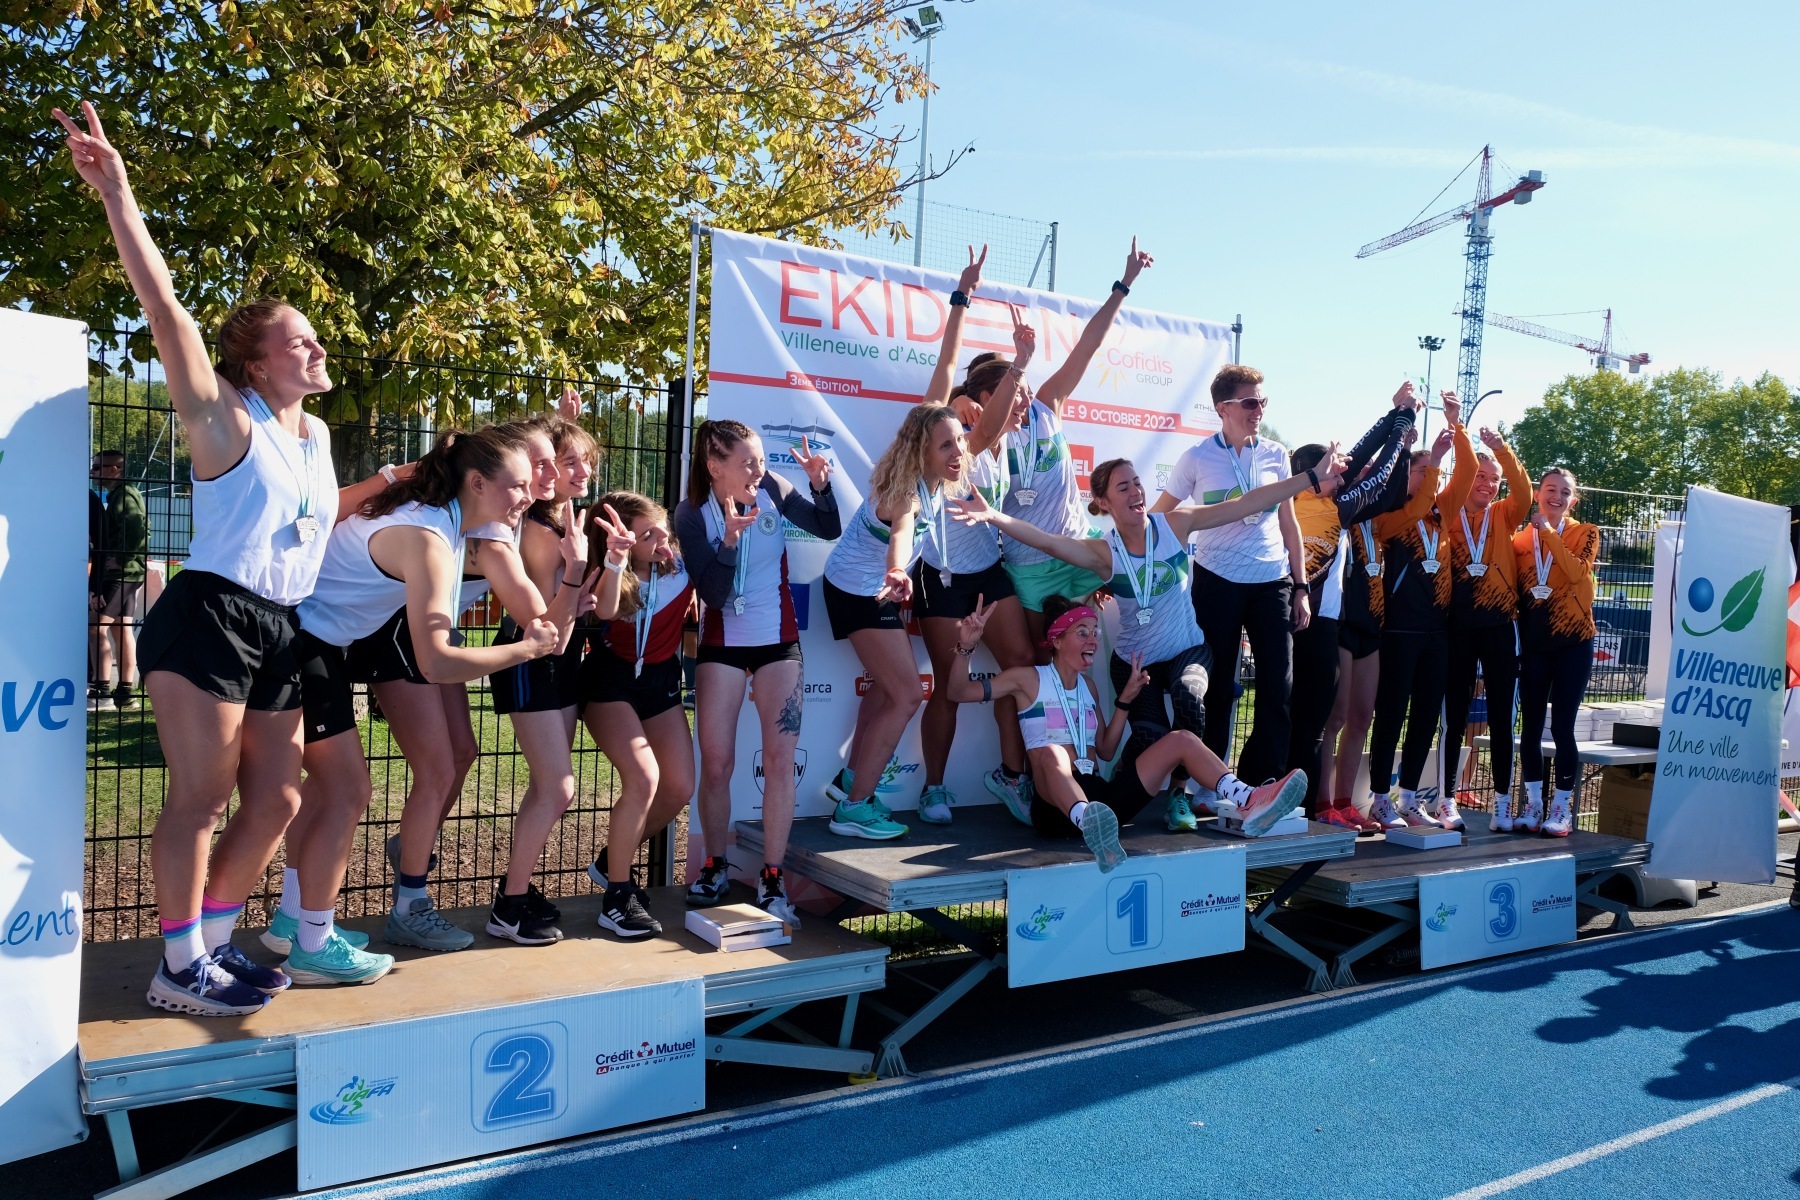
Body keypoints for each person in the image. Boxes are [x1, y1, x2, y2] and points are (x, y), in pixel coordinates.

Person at [56, 102, 404, 1014]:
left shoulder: (317, 436)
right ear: (255, 365)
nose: (316, 345)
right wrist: (118, 196)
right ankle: (178, 968)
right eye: (298, 339)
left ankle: (212, 944)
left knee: (279, 801)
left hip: (281, 628)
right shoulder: (223, 419)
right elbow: (165, 310)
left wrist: (394, 484)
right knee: (203, 798)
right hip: (209, 615)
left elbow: (310, 521)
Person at [285, 428, 577, 983]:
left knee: (322, 791)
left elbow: (541, 625)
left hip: (319, 642)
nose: (534, 489)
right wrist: (524, 649)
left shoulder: (451, 519)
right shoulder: (432, 537)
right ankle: (315, 938)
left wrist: (577, 577)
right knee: (317, 794)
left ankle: (294, 924)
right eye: (523, 478)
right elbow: (439, 662)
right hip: (301, 640)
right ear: (477, 482)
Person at [952, 453, 1342, 828]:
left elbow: (1247, 503)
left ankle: (1216, 797)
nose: (1136, 491)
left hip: (1185, 650)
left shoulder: (1175, 524)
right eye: (1123, 487)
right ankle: (1111, 797)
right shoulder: (1105, 554)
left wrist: (1310, 478)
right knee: (1146, 738)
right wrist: (993, 516)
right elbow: (1047, 543)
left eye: (1137, 483)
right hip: (1136, 664)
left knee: (1188, 699)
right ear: (1104, 503)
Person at [944, 596, 1306, 872]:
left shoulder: (1088, 687)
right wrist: (966, 647)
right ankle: (1090, 824)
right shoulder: (1027, 678)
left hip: (1101, 801)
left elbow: (1104, 750)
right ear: (1056, 639)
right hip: (1056, 810)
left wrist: (1125, 701)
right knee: (1052, 752)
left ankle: (1248, 799)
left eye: (1095, 632)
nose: (1092, 639)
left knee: (1181, 739)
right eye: (1082, 632)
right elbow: (958, 692)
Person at [677, 419, 837, 923]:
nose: (758, 470)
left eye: (762, 460)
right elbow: (714, 594)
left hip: (778, 641)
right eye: (747, 462)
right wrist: (727, 541)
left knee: (780, 760)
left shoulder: (772, 488)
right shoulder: (691, 513)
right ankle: (715, 865)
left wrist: (820, 486)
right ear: (714, 467)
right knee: (717, 763)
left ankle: (772, 876)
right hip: (722, 643)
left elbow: (827, 527)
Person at [912, 250, 1041, 825]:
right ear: (985, 399)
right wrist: (962, 296)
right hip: (941, 579)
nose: (1024, 404)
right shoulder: (951, 437)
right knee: (949, 685)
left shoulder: (1007, 443)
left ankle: (1014, 776)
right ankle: (933, 788)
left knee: (1023, 668)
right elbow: (947, 368)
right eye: (1015, 394)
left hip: (990, 573)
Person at [1151, 363, 1305, 786]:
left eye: (1263, 401)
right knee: (1216, 686)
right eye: (1250, 402)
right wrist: (1122, 562)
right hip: (1217, 580)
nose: (1259, 410)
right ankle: (1210, 782)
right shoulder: (1197, 457)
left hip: (1272, 580)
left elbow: (1289, 523)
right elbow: (1159, 518)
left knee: (1278, 686)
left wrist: (1301, 586)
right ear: (1223, 408)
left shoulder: (1276, 453)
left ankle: (1263, 782)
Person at [821, 402, 970, 838]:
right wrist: (898, 569)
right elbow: (902, 532)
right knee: (906, 694)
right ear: (922, 451)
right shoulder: (905, 492)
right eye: (946, 445)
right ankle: (854, 808)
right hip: (858, 591)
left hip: (873, 588)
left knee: (891, 688)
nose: (958, 451)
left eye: (960, 440)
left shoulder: (934, 480)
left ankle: (850, 780)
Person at [1001, 239, 1155, 648]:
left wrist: (1124, 284)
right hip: (1030, 565)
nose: (1021, 391)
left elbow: (1088, 346)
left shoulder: (1047, 405)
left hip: (1079, 551)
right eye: (1010, 383)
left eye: (1021, 380)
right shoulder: (989, 434)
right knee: (1043, 658)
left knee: (1099, 636)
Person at [485, 415, 599, 945]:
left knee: (545, 788)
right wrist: (575, 579)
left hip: (561, 663)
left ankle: (516, 890)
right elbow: (547, 628)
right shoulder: (536, 527)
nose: (579, 471)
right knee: (558, 789)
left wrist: (580, 594)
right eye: (565, 461)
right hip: (532, 663)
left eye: (584, 462)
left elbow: (565, 615)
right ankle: (509, 907)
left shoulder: (560, 518)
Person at [1286, 384, 1419, 829]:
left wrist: (1395, 414)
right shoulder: (1330, 509)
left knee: (1315, 719)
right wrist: (1401, 426)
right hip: (1314, 624)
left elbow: (1360, 457)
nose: (1343, 474)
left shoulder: (1305, 500)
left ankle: (1324, 805)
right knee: (1316, 721)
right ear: (1312, 474)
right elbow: (1377, 475)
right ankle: (1314, 807)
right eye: (1334, 469)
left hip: (1314, 620)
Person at [581, 494, 699, 936]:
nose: (661, 539)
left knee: (679, 787)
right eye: (647, 535)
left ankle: (612, 860)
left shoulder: (681, 564)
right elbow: (607, 610)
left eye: (661, 527)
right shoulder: (608, 573)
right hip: (609, 683)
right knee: (644, 779)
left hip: (660, 681)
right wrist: (615, 561)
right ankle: (617, 895)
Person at [1363, 396, 1475, 829]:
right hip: (1399, 631)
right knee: (1391, 715)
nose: (1431, 477)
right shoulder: (1392, 514)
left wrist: (1456, 425)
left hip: (1436, 631)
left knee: (1426, 716)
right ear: (1405, 474)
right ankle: (1379, 797)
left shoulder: (1440, 513)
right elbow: (1414, 504)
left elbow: (1467, 472)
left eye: (1434, 472)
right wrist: (1435, 463)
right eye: (1421, 470)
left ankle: (1409, 797)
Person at [1326, 424, 1420, 812]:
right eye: (1359, 471)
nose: (1368, 476)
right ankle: (1322, 805)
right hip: (1341, 626)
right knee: (1335, 718)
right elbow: (1375, 476)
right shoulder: (1338, 512)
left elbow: (1395, 491)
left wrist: (1404, 451)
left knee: (1362, 717)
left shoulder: (1376, 521)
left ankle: (1345, 803)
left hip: (1371, 628)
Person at [1443, 427, 1532, 828]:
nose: (1488, 484)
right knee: (1454, 716)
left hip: (1500, 624)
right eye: (1480, 476)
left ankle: (1501, 804)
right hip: (1457, 627)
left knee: (1501, 719)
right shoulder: (1448, 512)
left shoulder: (1503, 514)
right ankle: (1446, 799)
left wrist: (1502, 450)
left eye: (1494, 479)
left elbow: (1524, 493)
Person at [1507, 468, 1598, 836]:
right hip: (1535, 645)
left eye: (1564, 492)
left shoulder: (1586, 532)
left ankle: (1562, 809)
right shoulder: (1519, 540)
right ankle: (1533, 806)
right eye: (1550, 489)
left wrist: (1546, 531)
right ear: (1537, 493)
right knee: (1529, 728)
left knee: (1561, 726)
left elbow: (1576, 573)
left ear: (1572, 500)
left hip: (1574, 643)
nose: (1556, 496)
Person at [90, 449, 148, 710]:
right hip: (130, 572)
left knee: (95, 627)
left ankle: (101, 692)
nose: (92, 472)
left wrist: (122, 558)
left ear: (114, 470)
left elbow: (136, 526)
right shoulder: (122, 493)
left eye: (97, 468)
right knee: (121, 629)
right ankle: (125, 692)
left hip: (122, 573)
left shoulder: (123, 494)